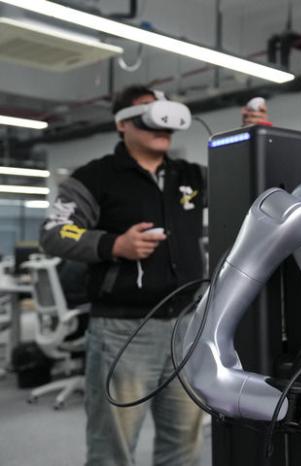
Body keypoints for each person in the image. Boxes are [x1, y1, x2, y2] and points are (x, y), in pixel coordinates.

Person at [40, 85, 205, 466]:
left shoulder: (191, 176)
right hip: (124, 332)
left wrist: (251, 135)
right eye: (148, 111)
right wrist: (113, 245)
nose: (161, 120)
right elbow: (53, 231)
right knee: (112, 450)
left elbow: (248, 178)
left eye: (165, 111)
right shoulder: (95, 177)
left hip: (187, 328)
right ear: (122, 124)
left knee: (185, 447)